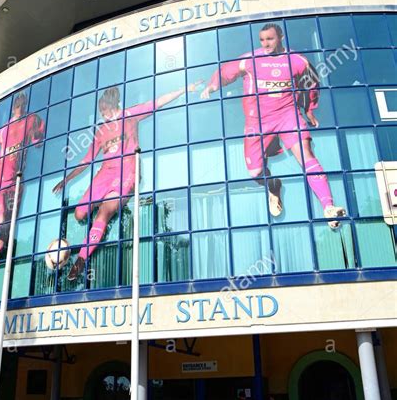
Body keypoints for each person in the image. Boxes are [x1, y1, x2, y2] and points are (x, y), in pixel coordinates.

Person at [201, 23, 346, 228]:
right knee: (254, 171)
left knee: (306, 155)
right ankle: (273, 186)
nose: (266, 44)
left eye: (270, 39)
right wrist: (213, 85)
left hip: (288, 115)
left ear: (281, 37)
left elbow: (311, 83)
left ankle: (328, 207)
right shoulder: (250, 60)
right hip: (257, 122)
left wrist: (309, 110)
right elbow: (226, 72)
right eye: (262, 40)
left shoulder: (297, 61)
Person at [54, 81, 201, 281]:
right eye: (100, 111)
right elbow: (87, 160)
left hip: (126, 171)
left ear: (113, 105)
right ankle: (100, 219)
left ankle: (81, 258)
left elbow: (156, 103)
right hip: (105, 172)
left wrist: (184, 89)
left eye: (104, 109)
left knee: (105, 213)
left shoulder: (130, 115)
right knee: (79, 214)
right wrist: (67, 179)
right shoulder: (100, 132)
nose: (102, 114)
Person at [0, 91, 45, 291]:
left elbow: (37, 140)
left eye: (23, 105)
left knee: (5, 234)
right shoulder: (3, 129)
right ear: (15, 106)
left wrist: (38, 137)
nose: (21, 109)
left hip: (17, 184)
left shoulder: (31, 119)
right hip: (1, 183)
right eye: (19, 105)